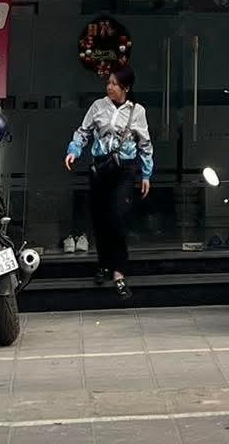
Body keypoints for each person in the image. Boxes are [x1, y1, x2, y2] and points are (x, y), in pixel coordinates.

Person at [65, 64, 152, 301]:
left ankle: (118, 270)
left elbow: (145, 144)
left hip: (124, 170)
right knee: (100, 219)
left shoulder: (137, 111)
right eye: (109, 83)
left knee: (118, 217)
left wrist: (146, 174)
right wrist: (74, 150)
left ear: (126, 87)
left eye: (114, 84)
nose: (110, 87)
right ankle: (103, 264)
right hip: (100, 168)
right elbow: (83, 132)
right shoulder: (98, 106)